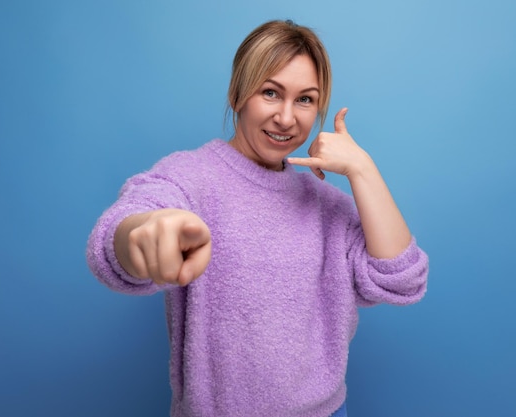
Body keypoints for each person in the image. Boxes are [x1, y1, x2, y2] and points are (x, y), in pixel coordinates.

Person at [86, 19, 428, 417]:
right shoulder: (188, 177)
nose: (286, 118)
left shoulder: (327, 206)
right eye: (270, 93)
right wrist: (141, 234)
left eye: (305, 100)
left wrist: (363, 170)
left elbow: (403, 278)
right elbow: (125, 229)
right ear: (237, 96)